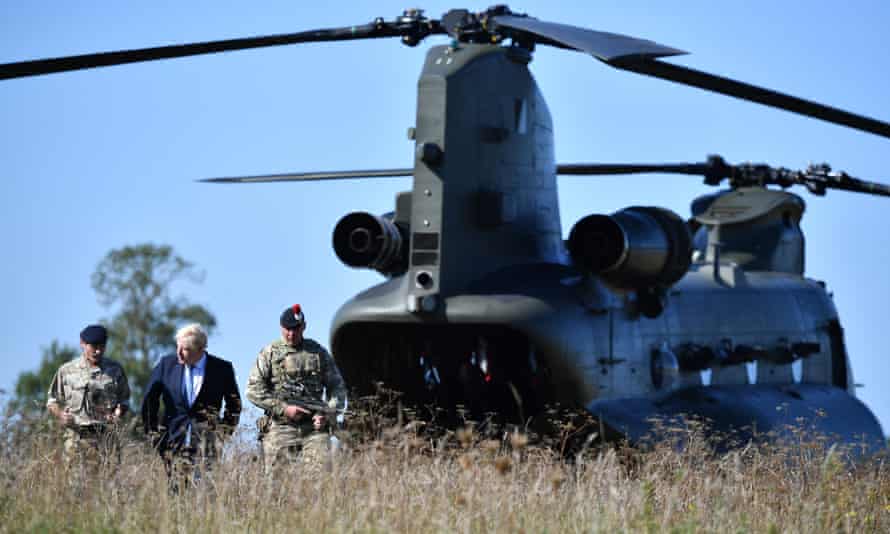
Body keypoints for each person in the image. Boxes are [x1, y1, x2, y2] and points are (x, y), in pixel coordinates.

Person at [246, 303, 347, 474]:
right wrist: (284, 409)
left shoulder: (318, 352)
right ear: (281, 327)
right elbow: (253, 389)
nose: (291, 334)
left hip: (314, 428)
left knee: (321, 480)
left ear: (304, 327)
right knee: (276, 484)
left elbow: (337, 387)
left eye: (296, 329)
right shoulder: (269, 353)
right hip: (280, 426)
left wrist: (327, 413)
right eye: (287, 329)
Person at [141, 323, 241, 482]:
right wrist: (154, 434)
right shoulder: (166, 365)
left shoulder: (222, 369)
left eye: (185, 349)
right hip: (172, 441)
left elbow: (234, 404)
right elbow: (149, 399)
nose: (178, 353)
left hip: (207, 444)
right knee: (175, 493)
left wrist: (222, 434)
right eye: (177, 347)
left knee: (205, 495)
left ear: (200, 349)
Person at [46, 324, 130, 468]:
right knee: (76, 487)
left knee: (108, 485)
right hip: (76, 439)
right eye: (93, 346)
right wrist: (60, 414)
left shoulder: (115, 369)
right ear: (82, 344)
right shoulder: (66, 371)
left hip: (106, 438)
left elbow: (125, 400)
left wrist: (118, 413)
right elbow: (51, 401)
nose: (97, 351)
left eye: (102, 346)